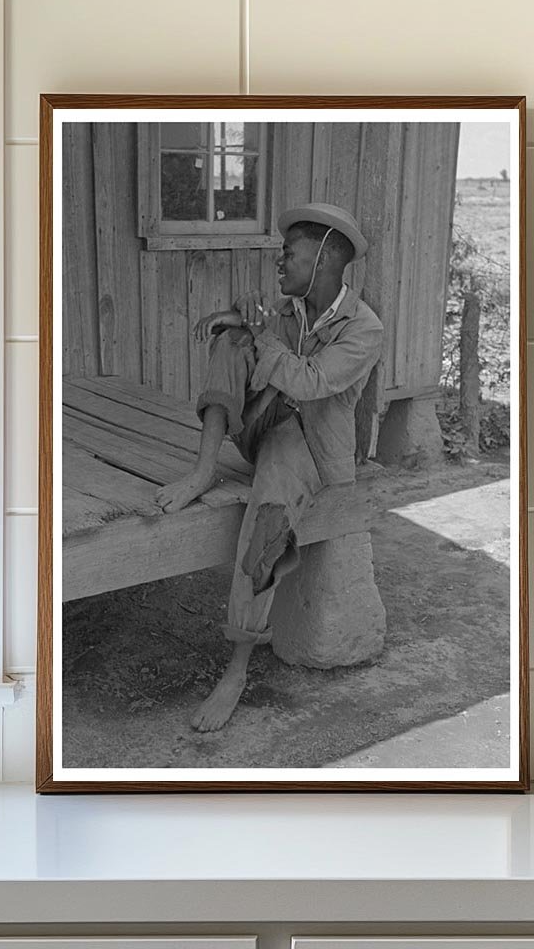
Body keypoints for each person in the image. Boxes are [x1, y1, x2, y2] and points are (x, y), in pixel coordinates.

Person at [154, 202, 384, 731]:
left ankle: (236, 668)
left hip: (311, 450)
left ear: (324, 259)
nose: (279, 263)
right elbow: (257, 320)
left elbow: (309, 382)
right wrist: (242, 319)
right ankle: (203, 470)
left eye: (289, 255)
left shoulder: (363, 329)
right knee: (232, 340)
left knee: (266, 520)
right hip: (265, 429)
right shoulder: (291, 309)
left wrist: (259, 332)